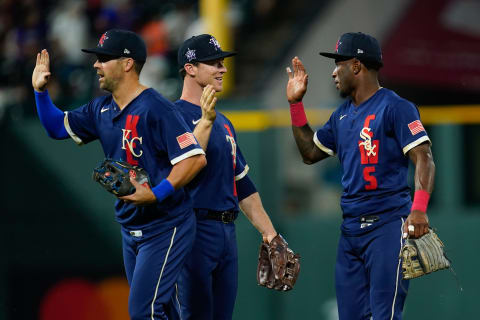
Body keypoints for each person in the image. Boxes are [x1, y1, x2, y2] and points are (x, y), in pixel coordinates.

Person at [31, 29, 207, 320]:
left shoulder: (157, 108)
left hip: (167, 225)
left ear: (127, 63)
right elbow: (56, 127)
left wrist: (156, 192)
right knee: (164, 310)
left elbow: (195, 159)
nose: (96, 65)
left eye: (104, 58)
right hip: (130, 227)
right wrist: (40, 92)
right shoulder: (100, 108)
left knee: (143, 312)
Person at [285, 32, 435, 320]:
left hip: (388, 225)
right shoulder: (341, 115)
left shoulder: (395, 107)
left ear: (356, 66)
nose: (332, 72)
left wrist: (418, 210)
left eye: (338, 63)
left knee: (385, 316)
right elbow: (309, 153)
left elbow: (424, 157)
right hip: (351, 231)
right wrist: (295, 105)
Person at [174, 34, 279, 319]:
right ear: (190, 68)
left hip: (226, 232)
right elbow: (184, 166)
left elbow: (243, 185)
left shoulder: (224, 121)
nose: (223, 69)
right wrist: (205, 122)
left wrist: (270, 234)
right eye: (214, 63)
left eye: (222, 63)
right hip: (192, 228)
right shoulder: (171, 116)